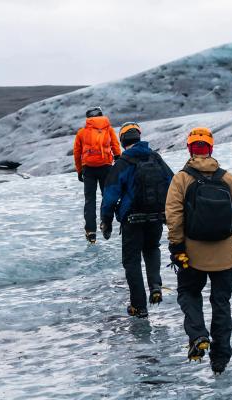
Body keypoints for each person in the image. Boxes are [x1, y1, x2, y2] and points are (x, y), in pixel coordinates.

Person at [165, 127, 232, 375]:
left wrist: (177, 248)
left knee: (188, 293)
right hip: (225, 255)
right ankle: (220, 358)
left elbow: (173, 216)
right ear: (211, 148)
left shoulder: (181, 179)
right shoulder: (228, 179)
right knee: (221, 303)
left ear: (189, 149)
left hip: (192, 255)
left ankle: (198, 336)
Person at [100, 122, 174, 318]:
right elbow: (172, 183)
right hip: (156, 216)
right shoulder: (156, 158)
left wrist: (106, 221)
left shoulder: (123, 163)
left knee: (132, 262)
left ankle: (139, 306)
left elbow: (110, 195)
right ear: (139, 137)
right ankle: (155, 285)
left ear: (123, 141)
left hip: (132, 219)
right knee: (152, 248)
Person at [74, 107, 121, 244]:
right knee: (106, 196)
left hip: (88, 168)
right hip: (106, 166)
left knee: (90, 200)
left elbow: (77, 153)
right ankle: (105, 223)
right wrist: (118, 160)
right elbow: (115, 146)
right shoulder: (108, 129)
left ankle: (91, 232)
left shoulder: (82, 132)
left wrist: (79, 170)